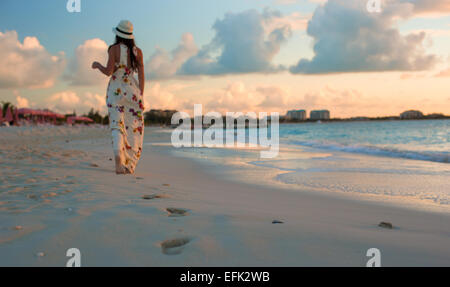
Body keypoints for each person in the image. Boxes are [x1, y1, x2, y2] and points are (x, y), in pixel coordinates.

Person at [92, 20, 145, 174]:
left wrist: (97, 65)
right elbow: (141, 76)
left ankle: (118, 161)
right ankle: (129, 164)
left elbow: (109, 71)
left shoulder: (114, 49)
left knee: (117, 125)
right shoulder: (138, 52)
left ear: (118, 34)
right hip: (132, 92)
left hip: (115, 90)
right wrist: (141, 95)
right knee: (134, 126)